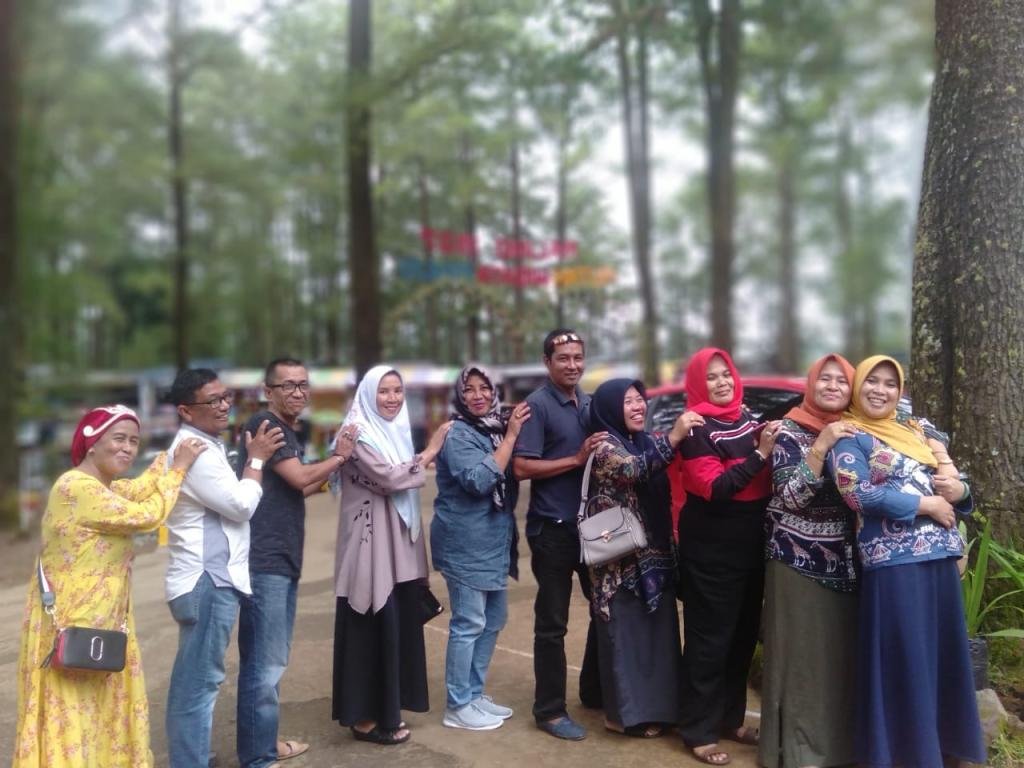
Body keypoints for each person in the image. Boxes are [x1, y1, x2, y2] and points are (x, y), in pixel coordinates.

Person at [13, 405, 205, 768]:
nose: (128, 448)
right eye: (118, 439)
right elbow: (148, 515)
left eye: (134, 441)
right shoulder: (75, 487)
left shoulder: (107, 488)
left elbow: (141, 488)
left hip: (105, 622)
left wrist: (170, 455)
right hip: (73, 623)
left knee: (101, 711)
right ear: (91, 443)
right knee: (73, 710)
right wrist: (179, 468)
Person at [828, 355, 985, 767]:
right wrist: (925, 505)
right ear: (857, 387)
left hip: (941, 559)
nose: (880, 390)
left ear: (900, 392)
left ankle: (943, 748)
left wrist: (960, 492)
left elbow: (955, 487)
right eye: (872, 381)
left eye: (890, 384)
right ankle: (904, 755)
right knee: (906, 656)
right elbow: (855, 492)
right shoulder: (851, 437)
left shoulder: (914, 432)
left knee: (940, 655)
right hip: (894, 564)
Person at [235, 358, 360, 768]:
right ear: (267, 391)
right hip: (265, 560)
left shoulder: (286, 430)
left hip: (281, 558)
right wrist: (339, 457)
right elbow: (300, 478)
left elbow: (297, 488)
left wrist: (332, 472)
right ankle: (258, 756)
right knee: (265, 663)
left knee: (268, 660)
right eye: (287, 385)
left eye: (303, 385)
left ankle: (264, 744)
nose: (298, 392)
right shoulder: (266, 424)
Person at [163, 368, 289, 768]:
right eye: (212, 401)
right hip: (208, 579)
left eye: (225, 397)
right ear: (186, 411)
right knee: (200, 683)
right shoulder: (196, 451)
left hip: (205, 578)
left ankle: (193, 755)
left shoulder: (201, 445)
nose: (223, 406)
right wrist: (257, 460)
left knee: (195, 679)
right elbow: (240, 505)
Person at [332, 365, 452, 745]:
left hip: (397, 543)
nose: (392, 398)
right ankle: (364, 718)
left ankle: (388, 708)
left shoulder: (393, 431)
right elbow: (388, 477)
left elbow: (399, 472)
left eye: (397, 390)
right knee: (370, 625)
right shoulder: (357, 433)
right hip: (370, 546)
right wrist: (430, 451)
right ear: (368, 394)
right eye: (383, 391)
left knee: (395, 625)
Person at [582, 379, 703, 738]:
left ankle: (660, 710)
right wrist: (675, 436)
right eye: (628, 401)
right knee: (626, 639)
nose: (637, 407)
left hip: (657, 558)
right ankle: (622, 716)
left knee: (657, 637)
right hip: (619, 562)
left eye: (640, 400)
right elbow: (633, 470)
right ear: (609, 408)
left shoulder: (646, 441)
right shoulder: (603, 447)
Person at [676, 347, 779, 766]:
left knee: (741, 637)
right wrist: (759, 455)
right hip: (712, 550)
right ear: (698, 382)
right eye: (712, 377)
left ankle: (730, 719)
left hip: (751, 545)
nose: (722, 383)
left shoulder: (747, 419)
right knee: (709, 641)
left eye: (726, 375)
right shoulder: (695, 428)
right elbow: (715, 488)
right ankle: (698, 729)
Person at [758, 354, 859, 768]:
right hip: (796, 562)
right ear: (811, 383)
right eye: (825, 379)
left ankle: (841, 749)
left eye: (842, 380)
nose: (833, 386)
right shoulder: (790, 430)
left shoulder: (859, 429)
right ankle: (798, 753)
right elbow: (789, 497)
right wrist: (821, 445)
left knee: (838, 659)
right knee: (801, 663)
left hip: (848, 564)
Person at [513, 329, 606, 741]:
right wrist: (575, 458)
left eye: (577, 357)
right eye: (563, 358)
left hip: (591, 529)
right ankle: (549, 711)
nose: (572, 365)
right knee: (553, 624)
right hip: (552, 529)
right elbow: (521, 467)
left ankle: (593, 691)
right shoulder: (537, 405)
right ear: (547, 362)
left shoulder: (588, 403)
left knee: (604, 610)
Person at [431, 364, 530, 731]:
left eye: (484, 387)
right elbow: (478, 480)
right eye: (469, 389)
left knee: (493, 620)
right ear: (459, 394)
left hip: (494, 541)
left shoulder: (493, 429)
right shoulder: (458, 434)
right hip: (464, 541)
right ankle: (458, 705)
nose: (478, 395)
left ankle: (473, 693)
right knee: (469, 623)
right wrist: (511, 437)